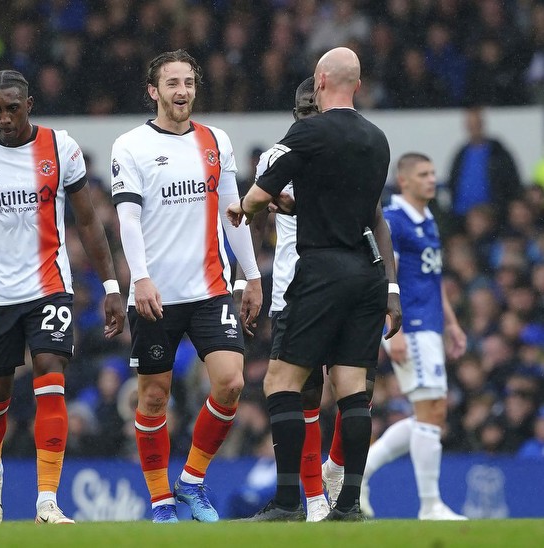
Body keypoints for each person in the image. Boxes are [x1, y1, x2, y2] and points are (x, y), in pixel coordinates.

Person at [227, 47, 401, 522]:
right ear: (358, 85)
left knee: (282, 381)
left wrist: (247, 206)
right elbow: (361, 210)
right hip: (367, 272)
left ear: (320, 81)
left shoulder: (307, 133)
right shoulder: (378, 139)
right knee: (351, 389)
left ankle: (287, 502)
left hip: (321, 270)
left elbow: (259, 194)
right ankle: (349, 505)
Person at [0, 69, 125, 525]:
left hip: (50, 287)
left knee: (51, 378)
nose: (4, 118)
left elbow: (87, 222)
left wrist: (110, 286)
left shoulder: (60, 148)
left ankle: (47, 501)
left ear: (29, 104)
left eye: (12, 108)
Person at [110, 49, 262, 523]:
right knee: (154, 397)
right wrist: (140, 278)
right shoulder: (130, 145)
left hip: (210, 288)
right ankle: (160, 503)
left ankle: (191, 482)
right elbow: (127, 219)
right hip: (156, 294)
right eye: (172, 83)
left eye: (189, 83)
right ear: (153, 91)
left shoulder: (215, 139)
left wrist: (252, 274)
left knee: (232, 382)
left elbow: (233, 212)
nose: (182, 92)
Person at [360, 153, 469, 520]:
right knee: (429, 411)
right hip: (410, 326)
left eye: (433, 172)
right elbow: (382, 280)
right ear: (403, 180)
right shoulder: (393, 221)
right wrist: (393, 331)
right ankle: (430, 505)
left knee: (432, 413)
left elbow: (432, 280)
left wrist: (451, 324)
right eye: (423, 173)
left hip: (432, 325)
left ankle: (358, 475)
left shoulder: (428, 220)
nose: (432, 179)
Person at [252, 76, 329, 522]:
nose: (306, 117)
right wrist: (251, 279)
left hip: (339, 285)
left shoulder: (345, 151)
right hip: (291, 288)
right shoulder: (277, 157)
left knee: (355, 390)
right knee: (306, 392)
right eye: (301, 112)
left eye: (313, 110)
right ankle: (313, 498)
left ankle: (336, 486)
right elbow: (259, 216)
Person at [446, 107, 522, 227]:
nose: (473, 128)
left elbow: (511, 182)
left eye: (476, 124)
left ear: (482, 124)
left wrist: (498, 208)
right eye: (470, 124)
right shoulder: (461, 153)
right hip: (461, 216)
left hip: (491, 215)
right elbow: (452, 182)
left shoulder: (498, 152)